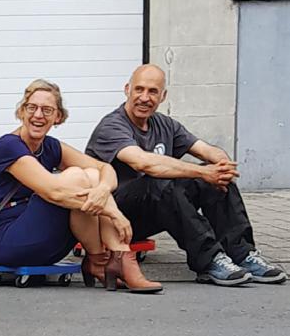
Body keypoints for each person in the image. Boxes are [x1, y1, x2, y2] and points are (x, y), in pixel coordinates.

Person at [85, 64, 286, 287]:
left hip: (152, 208)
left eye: (153, 92)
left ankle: (243, 254)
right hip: (113, 217)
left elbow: (206, 150)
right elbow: (143, 162)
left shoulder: (165, 124)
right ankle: (210, 261)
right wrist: (204, 172)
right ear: (127, 90)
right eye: (139, 89)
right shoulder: (112, 126)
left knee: (214, 180)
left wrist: (222, 167)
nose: (144, 98)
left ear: (163, 96)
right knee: (161, 182)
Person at [0, 79, 162, 292]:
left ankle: (105, 259)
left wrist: (102, 190)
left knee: (92, 175)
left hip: (45, 242)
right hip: (6, 242)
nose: (38, 115)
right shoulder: (9, 146)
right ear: (21, 112)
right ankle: (109, 260)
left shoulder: (50, 146)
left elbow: (105, 169)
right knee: (76, 176)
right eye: (32, 108)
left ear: (58, 117)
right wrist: (114, 213)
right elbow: (54, 193)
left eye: (47, 110)